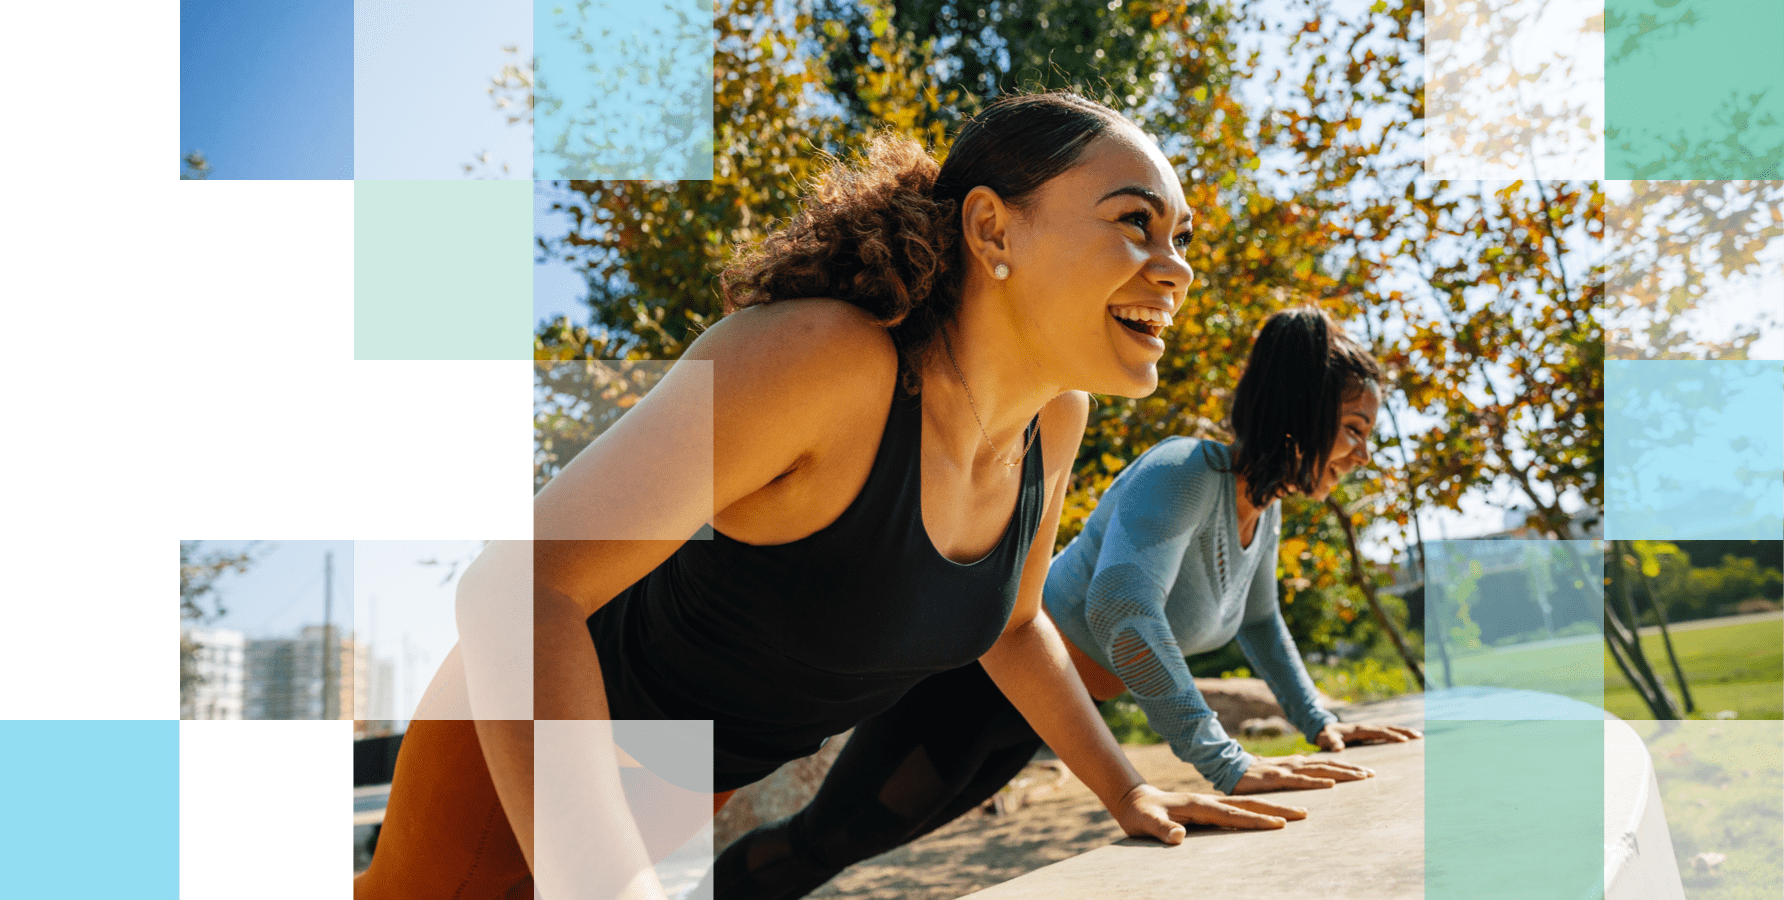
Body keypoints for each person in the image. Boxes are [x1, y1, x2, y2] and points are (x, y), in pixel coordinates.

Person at [353, 92, 1306, 900]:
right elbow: (518, 590)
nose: (1176, 267)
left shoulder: (1054, 422)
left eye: (1180, 237)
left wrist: (1129, 792)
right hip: (520, 741)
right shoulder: (821, 359)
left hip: (690, 781)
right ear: (991, 228)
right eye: (1135, 222)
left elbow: (1015, 628)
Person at [710, 306, 1422, 900]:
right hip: (978, 685)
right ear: (1300, 414)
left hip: (1044, 715)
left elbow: (1262, 623)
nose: (1363, 452)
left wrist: (1323, 723)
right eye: (1355, 429)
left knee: (854, 841)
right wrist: (1223, 759)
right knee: (831, 837)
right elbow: (1122, 608)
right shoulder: (1184, 472)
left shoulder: (1259, 513)